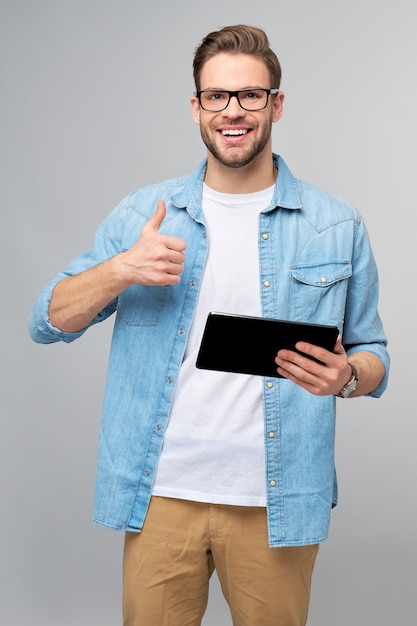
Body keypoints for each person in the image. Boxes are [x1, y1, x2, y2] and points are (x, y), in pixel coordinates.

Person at [29, 24, 389, 626]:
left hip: (276, 500)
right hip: (163, 493)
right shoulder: (148, 213)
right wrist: (121, 270)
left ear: (276, 104)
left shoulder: (336, 224)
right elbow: (48, 318)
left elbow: (373, 353)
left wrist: (347, 376)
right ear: (196, 107)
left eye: (250, 95)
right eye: (217, 96)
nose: (233, 111)